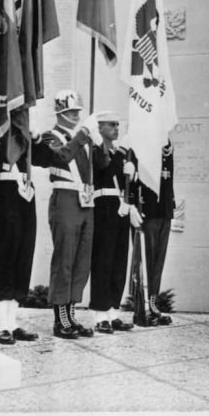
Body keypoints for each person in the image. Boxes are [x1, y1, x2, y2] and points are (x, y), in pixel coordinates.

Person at [32, 89, 100, 339]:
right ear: (60, 112)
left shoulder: (83, 138)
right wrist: (82, 134)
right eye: (70, 111)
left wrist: (100, 141)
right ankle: (60, 319)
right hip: (65, 199)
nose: (75, 115)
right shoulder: (52, 136)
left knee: (81, 261)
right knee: (65, 260)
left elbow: (100, 166)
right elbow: (61, 156)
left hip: (85, 201)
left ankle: (71, 315)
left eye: (77, 112)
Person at [88, 112, 140, 334]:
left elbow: (130, 186)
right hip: (104, 209)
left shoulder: (122, 154)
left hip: (121, 211)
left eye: (117, 125)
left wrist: (133, 175)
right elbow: (100, 172)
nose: (116, 128)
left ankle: (113, 312)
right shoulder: (96, 152)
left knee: (119, 261)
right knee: (103, 262)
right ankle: (100, 315)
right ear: (99, 128)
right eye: (111, 125)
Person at [0, 128, 38, 345]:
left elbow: (46, 158)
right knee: (6, 255)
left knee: (23, 256)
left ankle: (12, 321)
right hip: (4, 190)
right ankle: (1, 324)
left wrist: (34, 138)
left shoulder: (23, 131)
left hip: (25, 193)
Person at [133, 138, 175, 326]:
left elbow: (168, 180)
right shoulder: (142, 152)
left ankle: (153, 302)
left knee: (158, 261)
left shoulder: (166, 152)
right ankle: (145, 303)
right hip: (148, 212)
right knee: (148, 258)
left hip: (164, 211)